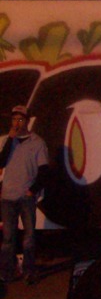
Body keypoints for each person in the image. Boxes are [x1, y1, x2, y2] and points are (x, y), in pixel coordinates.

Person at [0, 105, 49, 284]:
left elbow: (44, 171)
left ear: (27, 121)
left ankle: (28, 271)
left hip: (26, 196)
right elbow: (1, 162)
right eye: (14, 119)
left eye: (20, 119)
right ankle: (7, 272)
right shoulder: (6, 140)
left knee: (29, 237)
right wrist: (10, 139)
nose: (16, 123)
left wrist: (32, 190)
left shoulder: (37, 142)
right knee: (8, 238)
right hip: (8, 196)